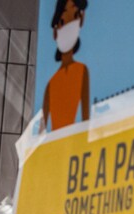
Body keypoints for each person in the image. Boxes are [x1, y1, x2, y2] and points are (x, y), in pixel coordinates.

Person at [42, 0, 90, 131]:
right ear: (55, 32)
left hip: (73, 141)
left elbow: (86, 120)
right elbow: (41, 129)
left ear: (81, 20)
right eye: (62, 21)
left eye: (75, 16)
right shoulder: (51, 84)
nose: (69, 25)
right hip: (55, 141)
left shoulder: (81, 71)